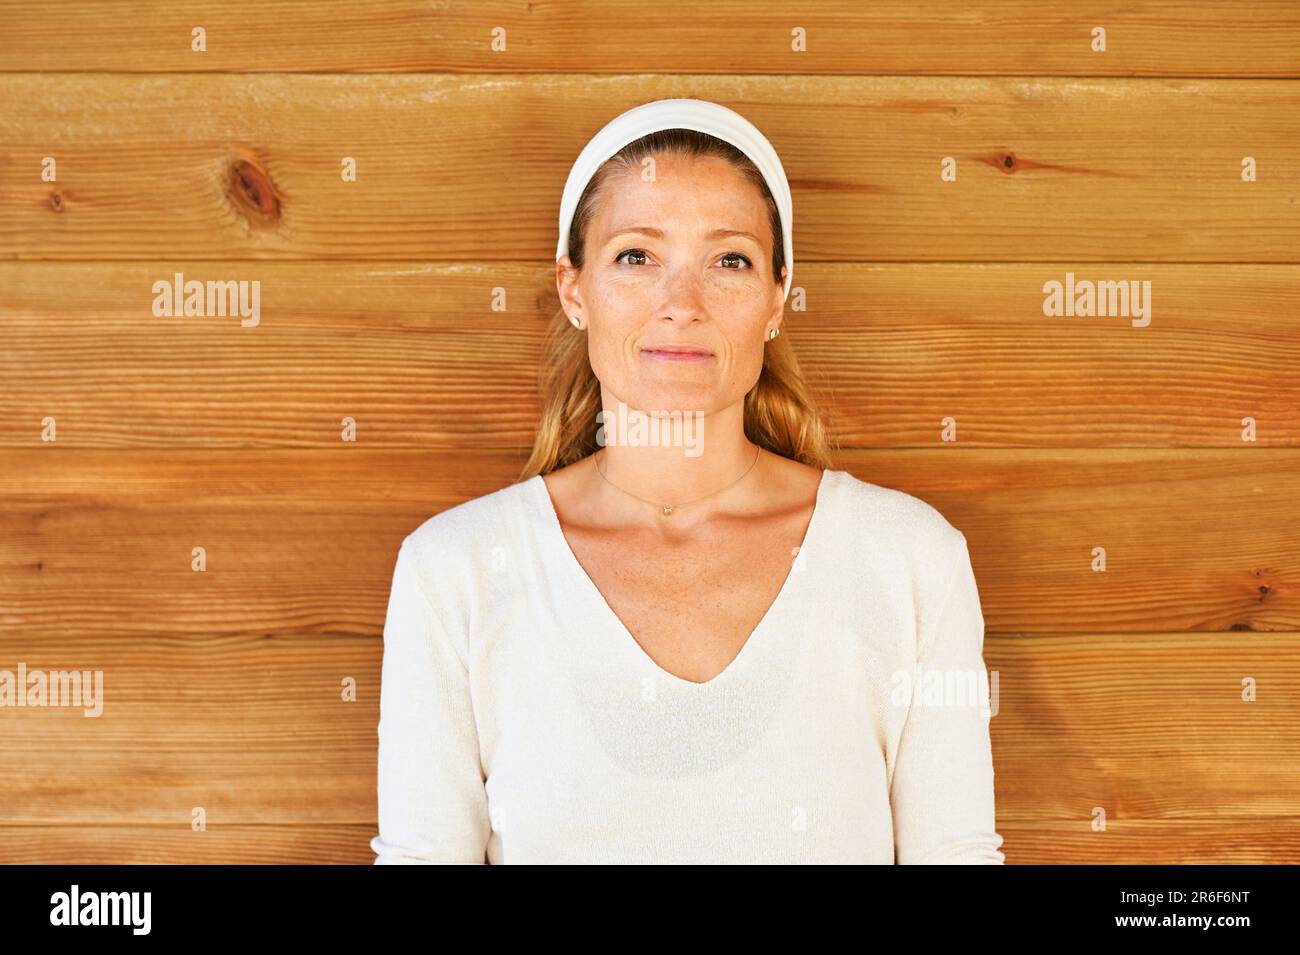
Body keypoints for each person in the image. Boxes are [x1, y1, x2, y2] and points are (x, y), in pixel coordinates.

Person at [369, 98, 1005, 864]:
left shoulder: (907, 558)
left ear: (776, 297)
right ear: (574, 289)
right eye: (636, 256)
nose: (682, 305)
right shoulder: (456, 570)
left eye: (729, 260)